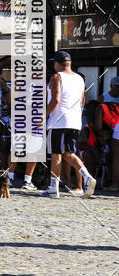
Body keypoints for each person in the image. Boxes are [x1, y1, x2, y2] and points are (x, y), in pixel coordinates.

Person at [42, 50, 96, 198]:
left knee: (56, 154)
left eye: (54, 63)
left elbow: (56, 100)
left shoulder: (56, 77)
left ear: (58, 64)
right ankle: (87, 177)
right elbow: (81, 101)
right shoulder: (79, 79)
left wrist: (43, 116)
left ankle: (54, 189)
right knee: (69, 153)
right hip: (74, 121)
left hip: (58, 121)